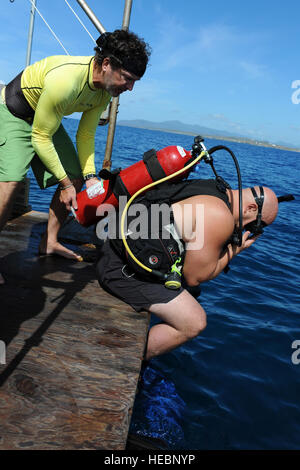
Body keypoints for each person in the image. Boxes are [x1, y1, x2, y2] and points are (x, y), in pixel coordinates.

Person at [0, 29, 151, 284]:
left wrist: (89, 177)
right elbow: (39, 137)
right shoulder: (66, 81)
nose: (130, 88)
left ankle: (49, 242)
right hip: (15, 113)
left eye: (134, 81)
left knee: (76, 175)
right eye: (127, 78)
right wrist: (65, 185)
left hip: (45, 121)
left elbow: (85, 135)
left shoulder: (105, 92)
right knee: (11, 182)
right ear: (106, 64)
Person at [96, 178, 279, 360]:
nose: (248, 229)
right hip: (119, 269)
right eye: (256, 225)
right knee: (194, 322)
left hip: (115, 240)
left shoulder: (212, 187)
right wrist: (234, 250)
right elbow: (194, 277)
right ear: (251, 208)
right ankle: (121, 359)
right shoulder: (221, 216)